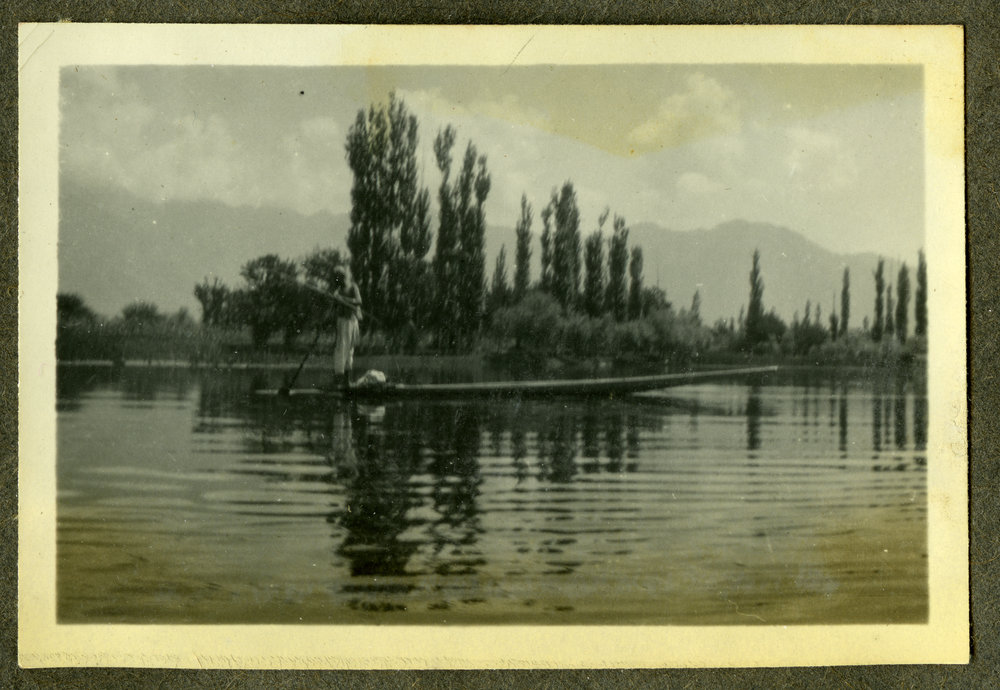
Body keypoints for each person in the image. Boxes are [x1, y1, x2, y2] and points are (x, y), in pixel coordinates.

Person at [330, 265, 362, 391]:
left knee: (349, 350)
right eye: (336, 278)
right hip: (342, 322)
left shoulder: (352, 287)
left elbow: (359, 301)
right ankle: (339, 381)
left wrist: (344, 299)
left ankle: (347, 382)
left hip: (351, 322)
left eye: (340, 277)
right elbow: (334, 305)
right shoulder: (337, 291)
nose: (338, 280)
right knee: (340, 349)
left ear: (344, 277)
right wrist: (335, 299)